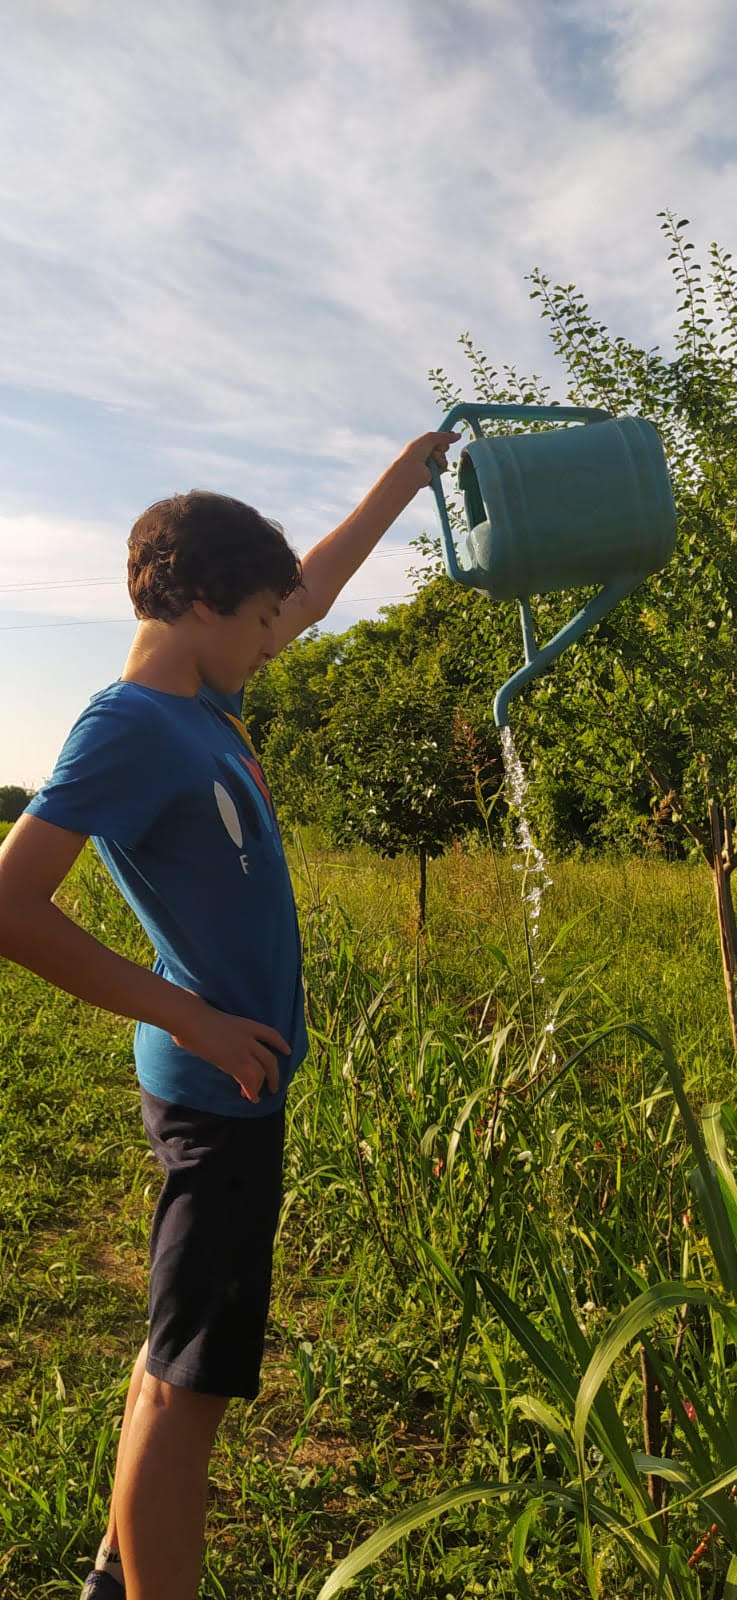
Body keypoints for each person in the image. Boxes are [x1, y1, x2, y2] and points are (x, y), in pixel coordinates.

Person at [0, 428, 458, 1600]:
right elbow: (11, 902)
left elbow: (312, 585)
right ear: (202, 602)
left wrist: (402, 483)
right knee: (188, 1385)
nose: (276, 638)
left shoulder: (199, 694)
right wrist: (196, 1020)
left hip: (232, 1083)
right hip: (216, 1090)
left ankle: (119, 1562)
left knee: (174, 1360)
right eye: (260, 620)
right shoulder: (132, 724)